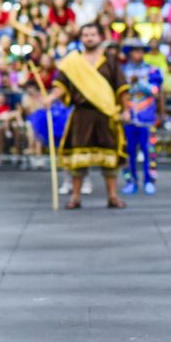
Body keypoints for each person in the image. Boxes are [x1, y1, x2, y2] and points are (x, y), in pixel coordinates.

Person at [43, 23, 129, 209]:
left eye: (92, 34)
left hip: (106, 114)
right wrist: (51, 98)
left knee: (109, 158)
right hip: (81, 114)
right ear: (81, 38)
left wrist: (126, 109)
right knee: (78, 159)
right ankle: (75, 197)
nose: (89, 38)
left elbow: (121, 87)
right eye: (86, 35)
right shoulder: (72, 61)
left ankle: (113, 196)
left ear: (100, 37)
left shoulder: (109, 60)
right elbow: (61, 85)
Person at [121, 41, 163, 195]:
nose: (137, 54)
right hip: (128, 117)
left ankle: (149, 181)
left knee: (149, 151)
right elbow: (120, 91)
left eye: (140, 51)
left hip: (146, 117)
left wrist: (138, 83)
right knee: (128, 151)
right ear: (129, 53)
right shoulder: (122, 71)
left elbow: (155, 90)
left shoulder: (152, 71)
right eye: (134, 51)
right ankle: (130, 181)